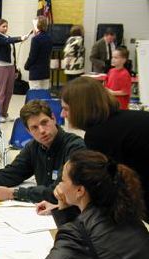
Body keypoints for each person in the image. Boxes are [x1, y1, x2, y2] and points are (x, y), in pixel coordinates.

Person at [33, 150, 149, 259]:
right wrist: (63, 206)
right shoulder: (124, 209)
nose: (59, 186)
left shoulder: (79, 232)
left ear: (80, 190)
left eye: (63, 181)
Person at [60, 76, 149, 219]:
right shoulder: (127, 119)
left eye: (66, 109)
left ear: (80, 109)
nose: (62, 114)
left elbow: (104, 188)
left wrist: (66, 204)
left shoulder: (98, 135)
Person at [0, 100, 85, 203]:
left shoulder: (74, 147)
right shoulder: (33, 147)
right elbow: (13, 173)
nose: (42, 130)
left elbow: (60, 191)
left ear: (53, 119)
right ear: (28, 131)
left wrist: (13, 193)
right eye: (34, 127)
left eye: (44, 122)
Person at [0, 18, 30, 123]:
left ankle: (5, 113)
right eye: (3, 26)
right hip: (2, 67)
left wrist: (15, 69)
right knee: (1, 92)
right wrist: (20, 38)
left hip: (10, 67)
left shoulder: (7, 37)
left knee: (9, 92)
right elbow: (8, 41)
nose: (5, 28)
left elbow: (12, 54)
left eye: (6, 26)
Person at [24, 16, 53, 90]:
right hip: (45, 72)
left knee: (35, 97)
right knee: (43, 97)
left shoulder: (36, 39)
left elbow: (32, 57)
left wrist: (26, 66)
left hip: (36, 73)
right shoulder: (49, 38)